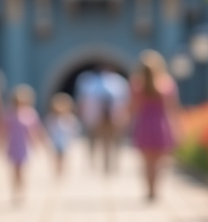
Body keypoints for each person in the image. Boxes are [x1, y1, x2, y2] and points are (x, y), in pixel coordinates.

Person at [131, 49, 180, 201]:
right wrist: (177, 127)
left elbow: (132, 108)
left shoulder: (137, 85)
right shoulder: (167, 84)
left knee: (147, 162)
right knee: (160, 161)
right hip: (161, 124)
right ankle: (156, 189)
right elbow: (173, 107)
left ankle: (150, 189)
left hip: (144, 124)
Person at [75, 64, 130, 174]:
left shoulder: (117, 83)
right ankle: (94, 163)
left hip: (112, 119)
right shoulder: (91, 82)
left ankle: (109, 164)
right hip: (96, 118)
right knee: (94, 142)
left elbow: (124, 102)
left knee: (111, 142)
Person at [0, 84, 47, 202]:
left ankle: (22, 191)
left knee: (23, 169)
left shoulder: (30, 114)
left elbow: (36, 130)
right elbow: (3, 130)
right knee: (14, 169)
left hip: (24, 145)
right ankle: (15, 190)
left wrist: (39, 142)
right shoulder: (9, 115)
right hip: (13, 145)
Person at [43, 92, 81, 177]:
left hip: (65, 141)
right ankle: (57, 169)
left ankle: (62, 170)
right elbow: (48, 129)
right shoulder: (52, 118)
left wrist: (73, 138)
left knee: (64, 155)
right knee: (56, 156)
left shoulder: (69, 118)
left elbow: (74, 129)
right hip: (55, 141)